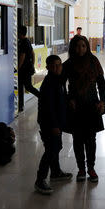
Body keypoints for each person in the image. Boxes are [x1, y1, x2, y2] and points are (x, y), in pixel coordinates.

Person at [62, 35, 105, 183]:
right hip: (75, 107)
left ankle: (91, 168)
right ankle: (81, 168)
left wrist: (102, 101)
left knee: (91, 139)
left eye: (83, 46)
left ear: (87, 47)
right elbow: (62, 85)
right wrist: (68, 99)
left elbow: (101, 83)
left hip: (92, 105)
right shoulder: (68, 64)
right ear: (73, 48)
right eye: (77, 46)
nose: (80, 49)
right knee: (77, 139)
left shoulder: (93, 62)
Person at [35, 55, 73, 195]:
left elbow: (61, 99)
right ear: (48, 68)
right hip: (49, 123)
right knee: (51, 149)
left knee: (56, 147)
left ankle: (56, 172)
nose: (57, 68)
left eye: (59, 65)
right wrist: (54, 125)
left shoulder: (58, 80)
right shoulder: (49, 83)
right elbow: (49, 108)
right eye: (54, 65)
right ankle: (40, 179)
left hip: (56, 122)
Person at [18, 25, 39, 112]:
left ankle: (41, 96)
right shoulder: (27, 41)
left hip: (24, 69)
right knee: (24, 86)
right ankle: (21, 106)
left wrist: (18, 68)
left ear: (20, 33)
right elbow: (33, 53)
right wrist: (32, 64)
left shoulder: (23, 42)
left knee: (27, 86)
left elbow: (22, 56)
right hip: (28, 68)